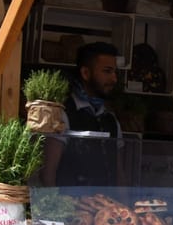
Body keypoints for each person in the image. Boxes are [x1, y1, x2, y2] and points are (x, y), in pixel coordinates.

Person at [40, 41, 123, 188]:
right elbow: (48, 174)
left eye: (115, 72)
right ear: (85, 73)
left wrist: (123, 206)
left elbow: (119, 174)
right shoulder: (62, 115)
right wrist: (54, 208)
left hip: (107, 208)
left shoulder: (111, 120)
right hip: (69, 206)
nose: (114, 79)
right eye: (107, 71)